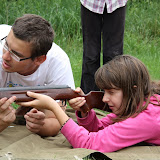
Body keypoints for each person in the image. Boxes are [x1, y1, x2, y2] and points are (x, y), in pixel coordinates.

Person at [17, 55, 160, 153]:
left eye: (111, 92)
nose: (104, 99)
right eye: (104, 92)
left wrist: (54, 107)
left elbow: (89, 144)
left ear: (132, 90)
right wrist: (85, 111)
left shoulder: (147, 118)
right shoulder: (139, 102)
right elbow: (99, 130)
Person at [0, 14, 75, 136]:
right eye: (6, 45)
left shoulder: (58, 63)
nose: (5, 56)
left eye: (16, 54)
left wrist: (40, 125)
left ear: (39, 60)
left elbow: (56, 121)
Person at [80, 0, 128, 94]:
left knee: (114, 55)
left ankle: (114, 97)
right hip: (90, 3)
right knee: (90, 55)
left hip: (116, 3)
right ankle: (89, 100)